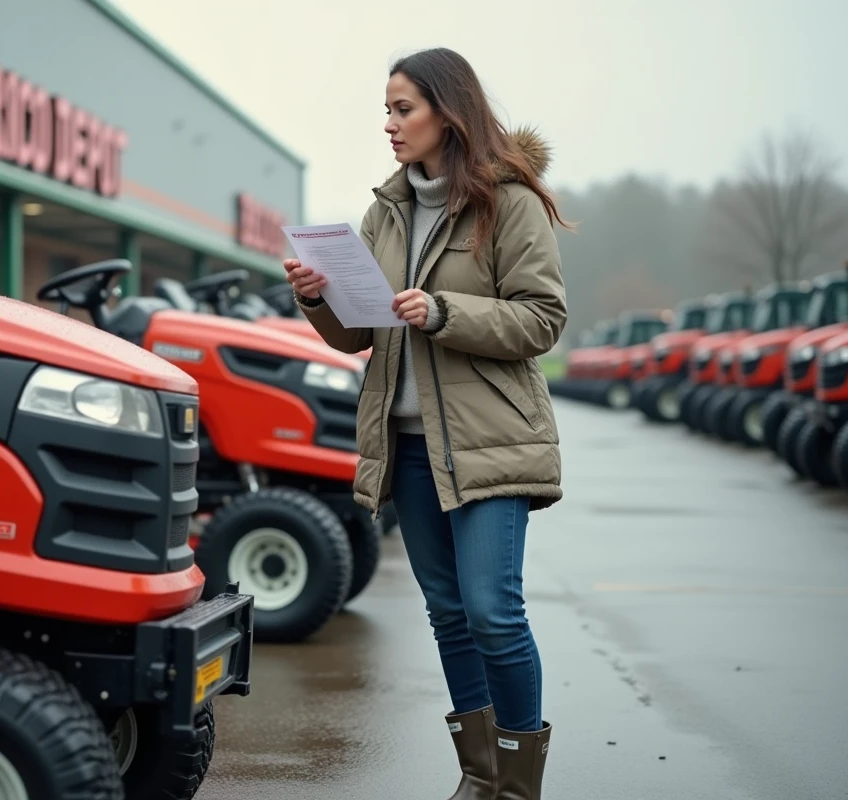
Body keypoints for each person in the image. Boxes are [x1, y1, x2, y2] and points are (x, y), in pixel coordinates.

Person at [283, 47, 569, 800]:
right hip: (406, 448)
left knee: (492, 612)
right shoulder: (385, 211)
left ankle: (518, 787)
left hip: (489, 444)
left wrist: (443, 311)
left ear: (449, 110)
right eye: (385, 109)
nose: (389, 124)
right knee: (448, 614)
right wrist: (319, 297)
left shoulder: (509, 201)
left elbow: (542, 320)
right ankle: (480, 778)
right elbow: (359, 336)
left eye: (402, 108)